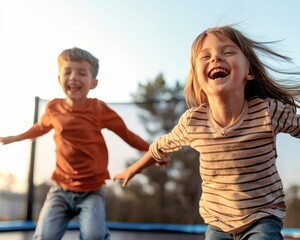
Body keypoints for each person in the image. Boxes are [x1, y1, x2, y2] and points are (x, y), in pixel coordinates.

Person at [113, 25, 300, 240]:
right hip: (218, 221)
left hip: (262, 215)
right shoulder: (194, 122)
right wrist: (133, 170)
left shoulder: (267, 112)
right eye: (206, 56)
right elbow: (160, 147)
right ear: (198, 79)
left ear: (248, 72)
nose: (216, 58)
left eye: (228, 52)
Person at [0, 47, 149, 240]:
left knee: (93, 236)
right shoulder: (53, 108)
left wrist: (152, 151)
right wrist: (16, 137)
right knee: (45, 236)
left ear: (93, 83)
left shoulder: (99, 109)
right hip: (60, 189)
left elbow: (126, 134)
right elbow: (40, 128)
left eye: (81, 73)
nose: (73, 77)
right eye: (67, 71)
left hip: (92, 191)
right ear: (59, 78)